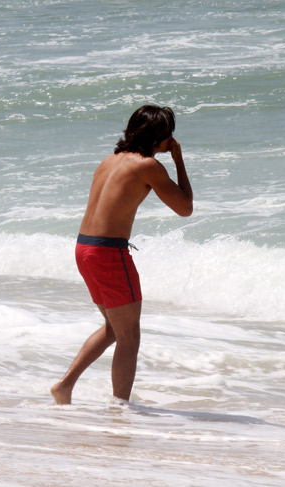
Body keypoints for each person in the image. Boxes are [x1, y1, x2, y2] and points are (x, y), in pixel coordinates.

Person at [51, 105, 193, 405]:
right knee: (129, 336)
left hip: (84, 249)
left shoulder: (109, 160)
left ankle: (64, 386)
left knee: (115, 329)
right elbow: (185, 209)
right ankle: (120, 409)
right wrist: (179, 161)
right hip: (108, 254)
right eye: (169, 134)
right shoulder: (148, 166)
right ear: (161, 136)